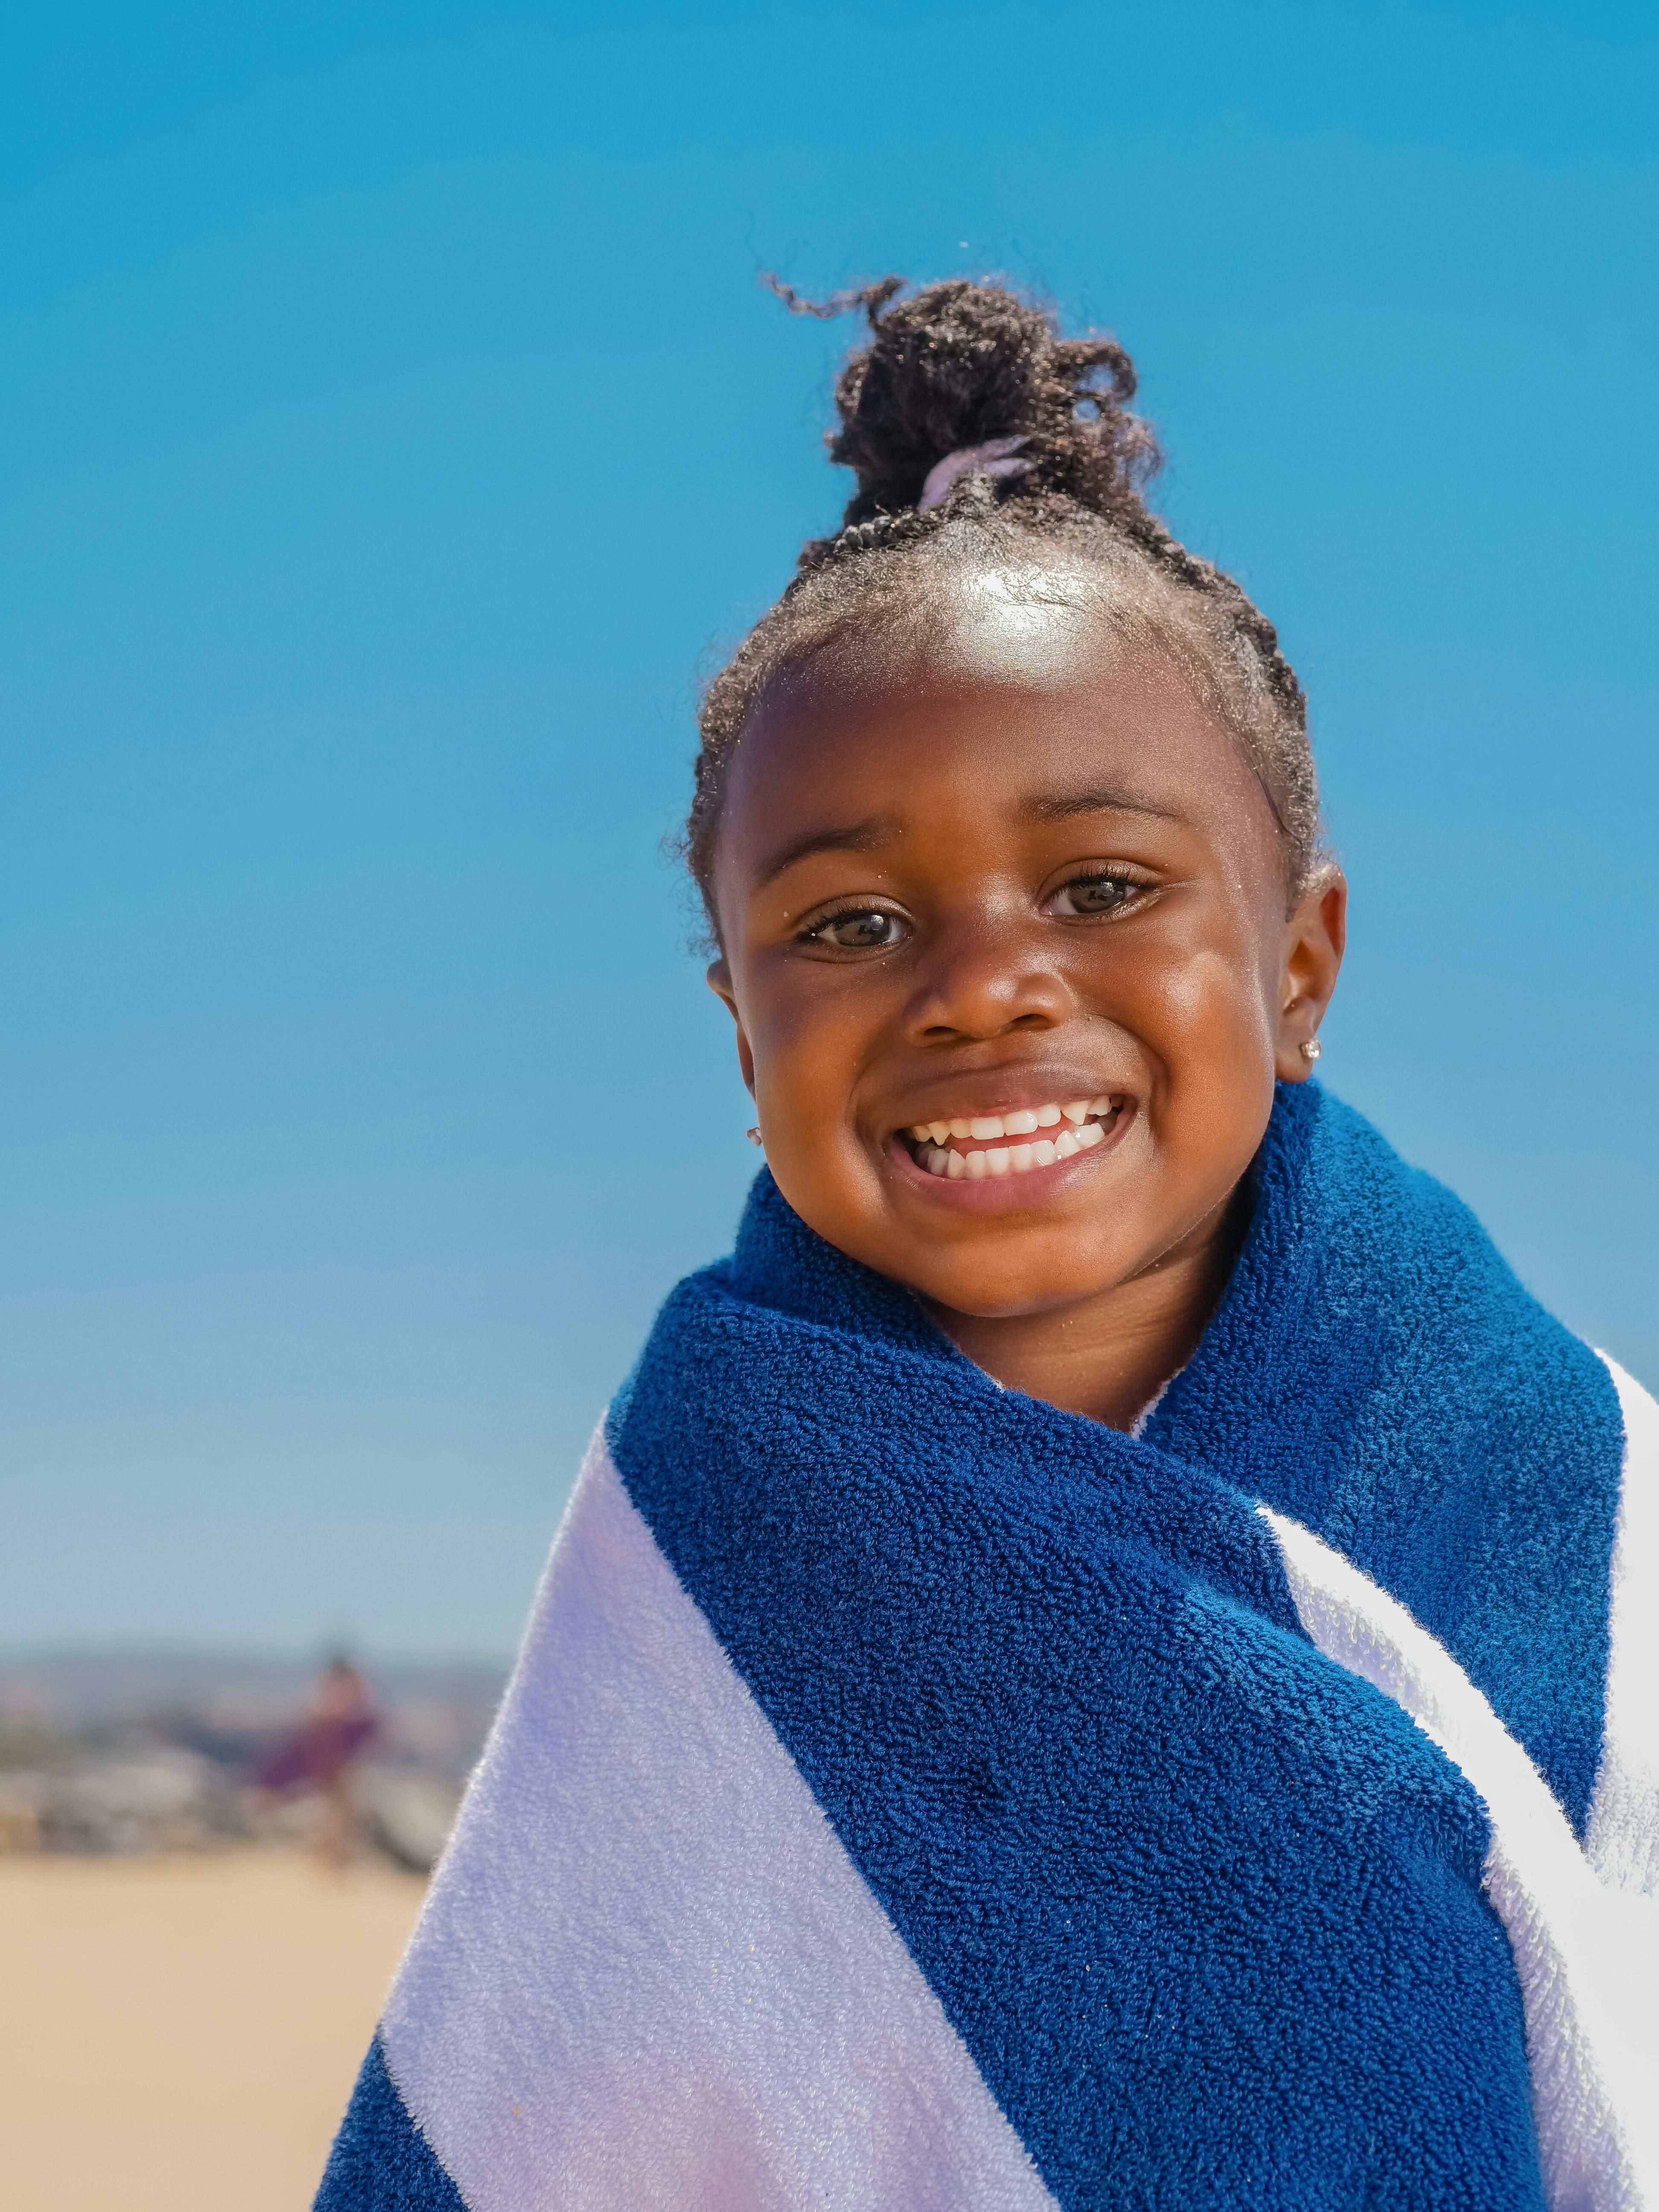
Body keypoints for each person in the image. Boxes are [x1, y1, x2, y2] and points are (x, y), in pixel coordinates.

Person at [316, 279, 1658, 2209]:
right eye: (847, 924)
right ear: (737, 1028)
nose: (982, 988)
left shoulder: (1589, 1533)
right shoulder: (715, 1554)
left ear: (1299, 968)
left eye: (1101, 885)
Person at [253, 1654, 380, 1868]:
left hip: (336, 1758)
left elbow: (323, 1717)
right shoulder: (350, 1686)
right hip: (336, 1759)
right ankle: (334, 1858)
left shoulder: (337, 1688)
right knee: (338, 1810)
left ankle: (334, 1857)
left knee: (338, 1810)